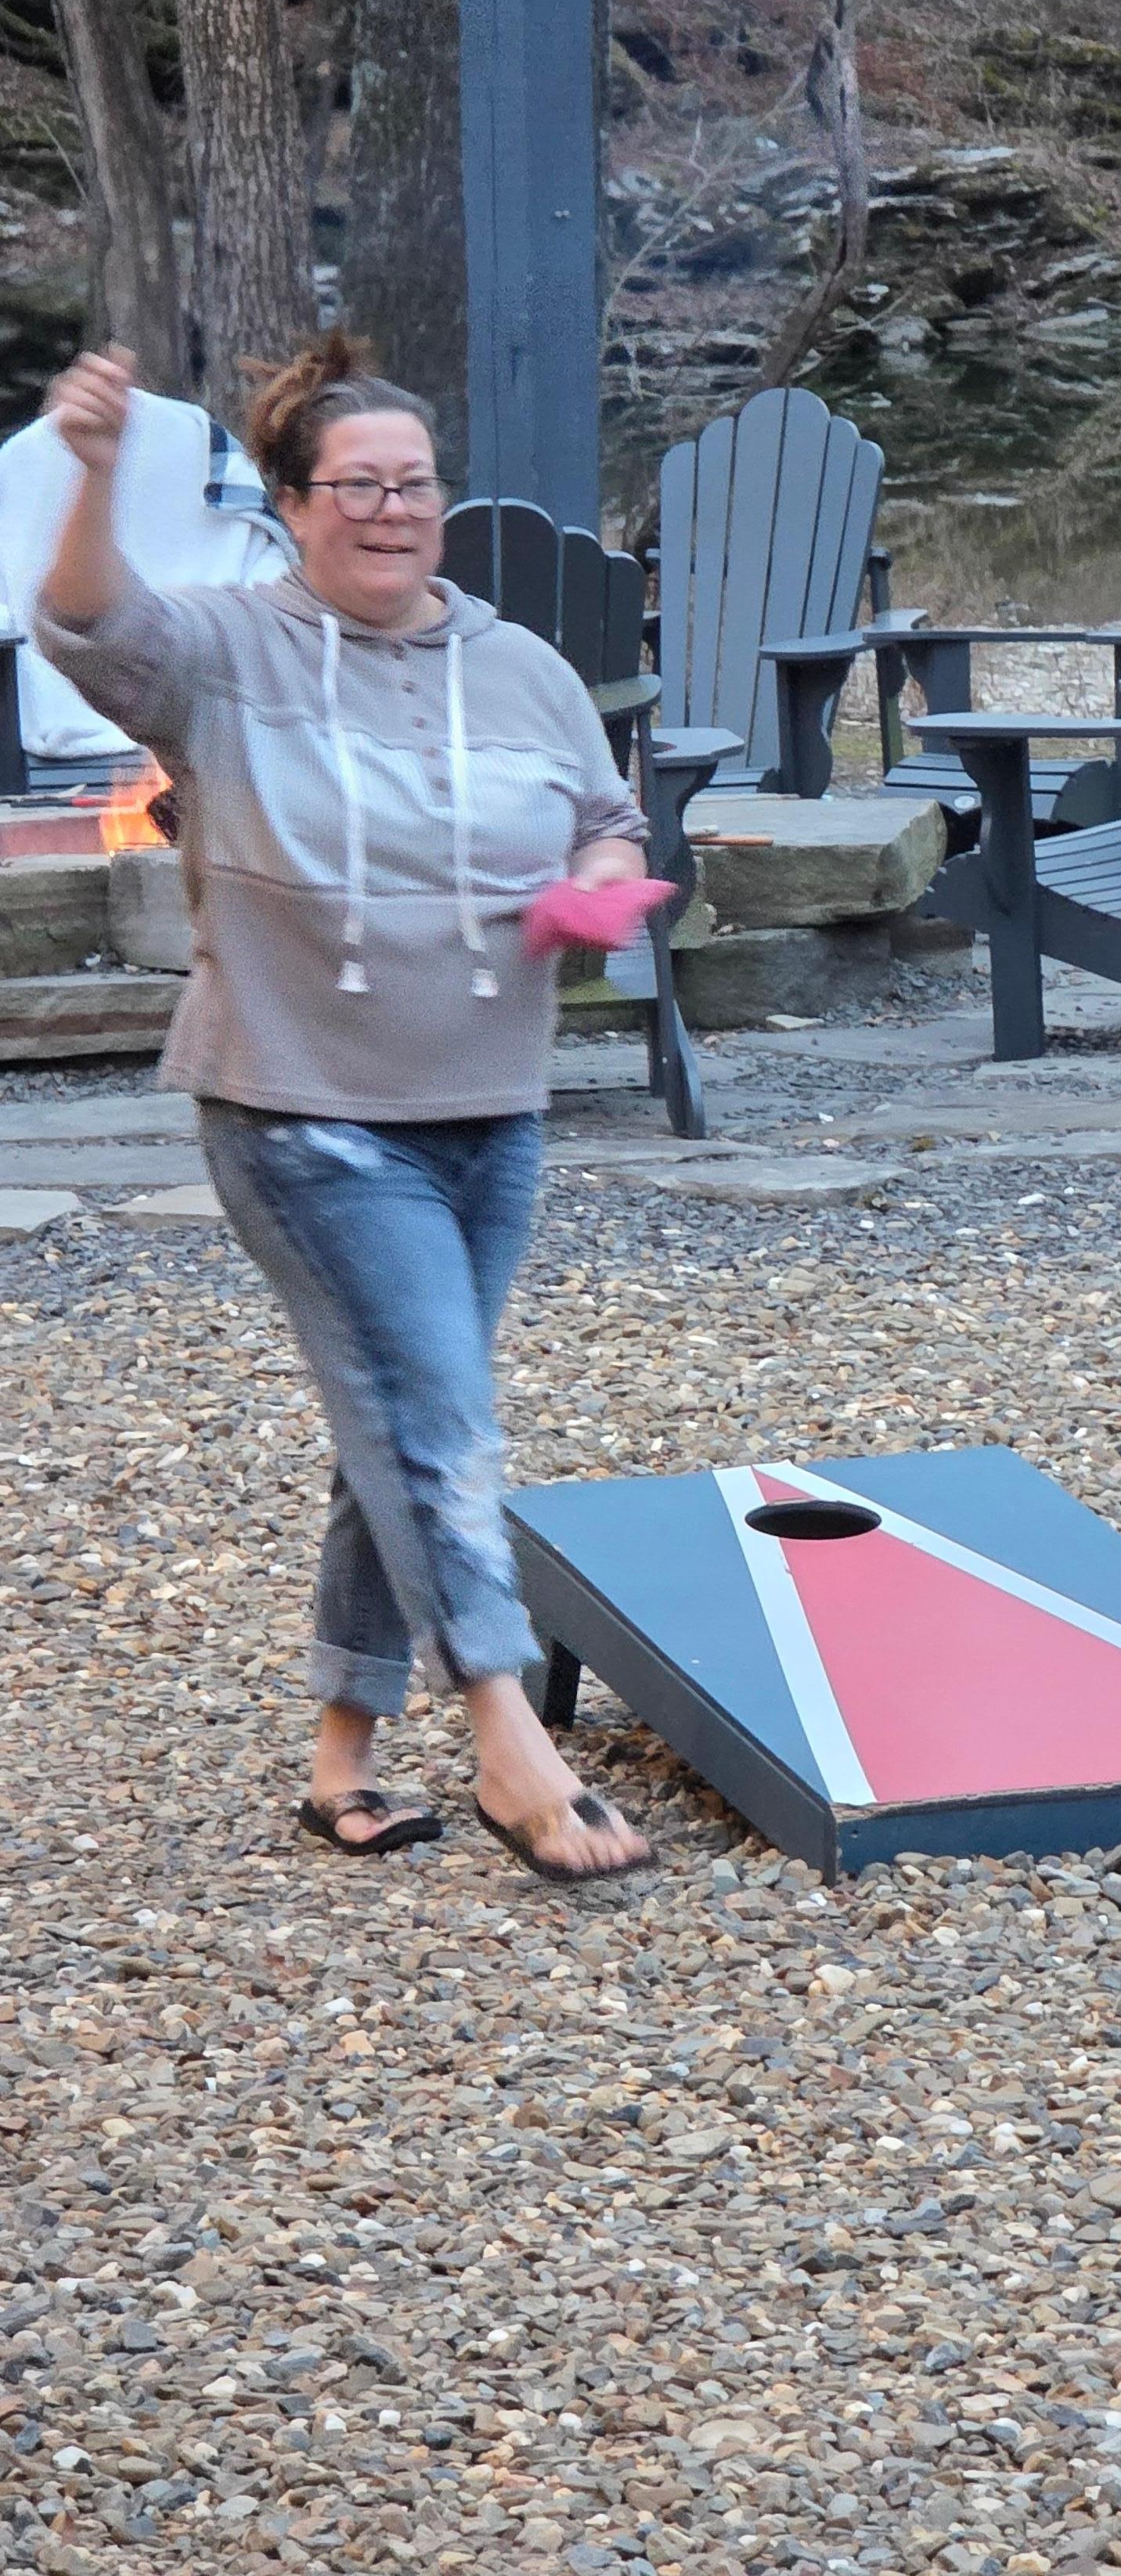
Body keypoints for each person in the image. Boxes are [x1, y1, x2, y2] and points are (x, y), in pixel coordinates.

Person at [37, 338, 669, 1881]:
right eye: (356, 485)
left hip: (489, 1108)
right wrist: (99, 470)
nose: (391, 510)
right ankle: (511, 1733)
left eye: (414, 483)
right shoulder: (225, 651)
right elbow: (80, 623)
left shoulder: (516, 665)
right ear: (293, 504)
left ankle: (343, 1758)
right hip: (299, 1105)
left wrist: (595, 886)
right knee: (439, 1416)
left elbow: (608, 815)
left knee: (387, 1412)